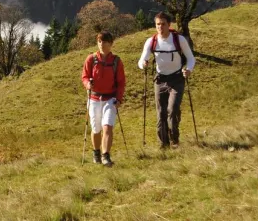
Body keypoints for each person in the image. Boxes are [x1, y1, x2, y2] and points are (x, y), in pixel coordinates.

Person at [138, 11, 195, 149]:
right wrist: (143, 64)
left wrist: (188, 69)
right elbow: (141, 60)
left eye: (163, 24)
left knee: (173, 109)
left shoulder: (179, 40)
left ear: (169, 25)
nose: (160, 27)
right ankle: (163, 144)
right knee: (161, 112)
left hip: (177, 78)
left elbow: (191, 58)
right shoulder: (151, 41)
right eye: (158, 24)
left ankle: (174, 139)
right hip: (160, 79)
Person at [81, 31, 125, 167]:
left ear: (111, 44)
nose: (102, 44)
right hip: (94, 98)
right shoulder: (91, 59)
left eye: (105, 42)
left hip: (110, 99)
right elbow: (85, 76)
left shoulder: (116, 61)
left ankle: (106, 156)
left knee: (108, 127)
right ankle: (96, 152)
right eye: (99, 41)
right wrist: (88, 84)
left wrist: (118, 99)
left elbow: (121, 82)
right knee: (96, 129)